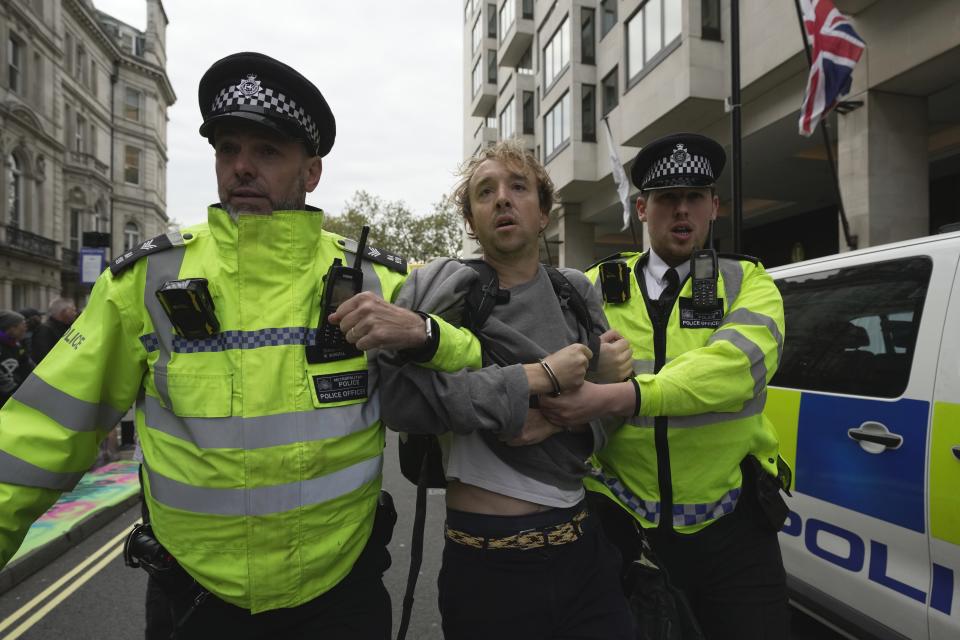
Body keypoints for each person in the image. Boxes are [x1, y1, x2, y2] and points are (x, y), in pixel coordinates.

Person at [0, 51, 478, 640]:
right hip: (196, 604)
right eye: (228, 148)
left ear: (311, 172)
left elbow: (474, 374)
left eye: (267, 151)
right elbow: (36, 440)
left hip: (339, 601)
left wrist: (429, 334)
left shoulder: (378, 282)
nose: (241, 168)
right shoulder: (144, 282)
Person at [373, 140, 636, 640]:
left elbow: (615, 404)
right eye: (484, 192)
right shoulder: (441, 289)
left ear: (543, 213)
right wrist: (527, 388)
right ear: (471, 222)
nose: (502, 199)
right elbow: (402, 401)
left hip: (583, 550)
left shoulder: (575, 292)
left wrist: (566, 415)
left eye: (518, 187)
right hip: (486, 565)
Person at [539, 133, 789, 639]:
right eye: (666, 198)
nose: (681, 210)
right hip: (620, 523)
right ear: (641, 208)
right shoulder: (590, 286)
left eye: (694, 197)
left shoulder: (747, 281)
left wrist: (623, 393)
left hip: (731, 524)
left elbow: (736, 367)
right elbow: (552, 375)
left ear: (713, 207)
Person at [0, 311, 34, 406]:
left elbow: (28, 366)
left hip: (13, 398)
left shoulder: (16, 345)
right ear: (11, 328)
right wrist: (14, 390)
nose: (25, 328)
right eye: (22, 324)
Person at [30, 298, 77, 364]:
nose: (75, 314)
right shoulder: (44, 330)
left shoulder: (66, 328)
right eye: (73, 310)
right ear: (63, 312)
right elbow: (43, 357)